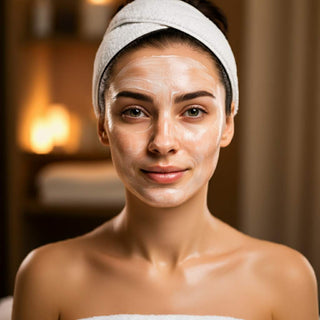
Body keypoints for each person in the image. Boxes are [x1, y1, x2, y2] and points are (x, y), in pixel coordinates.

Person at [12, 0, 319, 319]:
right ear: (103, 126)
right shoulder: (47, 277)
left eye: (193, 111)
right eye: (134, 112)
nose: (163, 142)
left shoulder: (284, 278)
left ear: (227, 125)